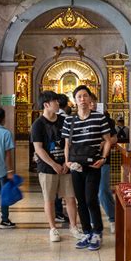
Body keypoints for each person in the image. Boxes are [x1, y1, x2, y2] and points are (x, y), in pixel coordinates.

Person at [62, 85, 112, 251]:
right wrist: (67, 162)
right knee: (81, 201)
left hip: (93, 165)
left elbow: (108, 140)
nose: (82, 99)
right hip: (76, 166)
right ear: (75, 101)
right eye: (79, 97)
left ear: (90, 99)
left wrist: (104, 158)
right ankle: (87, 232)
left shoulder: (99, 118)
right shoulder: (69, 120)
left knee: (91, 199)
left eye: (85, 96)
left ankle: (97, 232)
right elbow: (67, 144)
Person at [31, 91, 82, 242]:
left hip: (65, 165)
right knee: (50, 199)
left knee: (70, 197)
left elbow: (69, 142)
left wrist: (67, 162)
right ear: (46, 104)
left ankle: (74, 226)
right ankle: (53, 229)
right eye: (54, 101)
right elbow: (38, 148)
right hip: (47, 168)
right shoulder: (37, 125)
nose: (57, 103)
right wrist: (53, 164)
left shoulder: (64, 120)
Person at [90, 94, 117, 234]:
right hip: (87, 161)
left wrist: (104, 143)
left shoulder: (106, 119)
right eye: (90, 102)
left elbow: (114, 138)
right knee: (89, 193)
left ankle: (113, 219)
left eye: (94, 101)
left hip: (103, 159)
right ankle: (92, 221)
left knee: (102, 190)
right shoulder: (81, 120)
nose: (92, 104)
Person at [54, 94, 70, 223]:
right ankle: (59, 211)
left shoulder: (53, 118)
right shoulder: (66, 119)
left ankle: (58, 211)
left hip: (54, 155)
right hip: (63, 157)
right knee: (64, 188)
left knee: (56, 188)